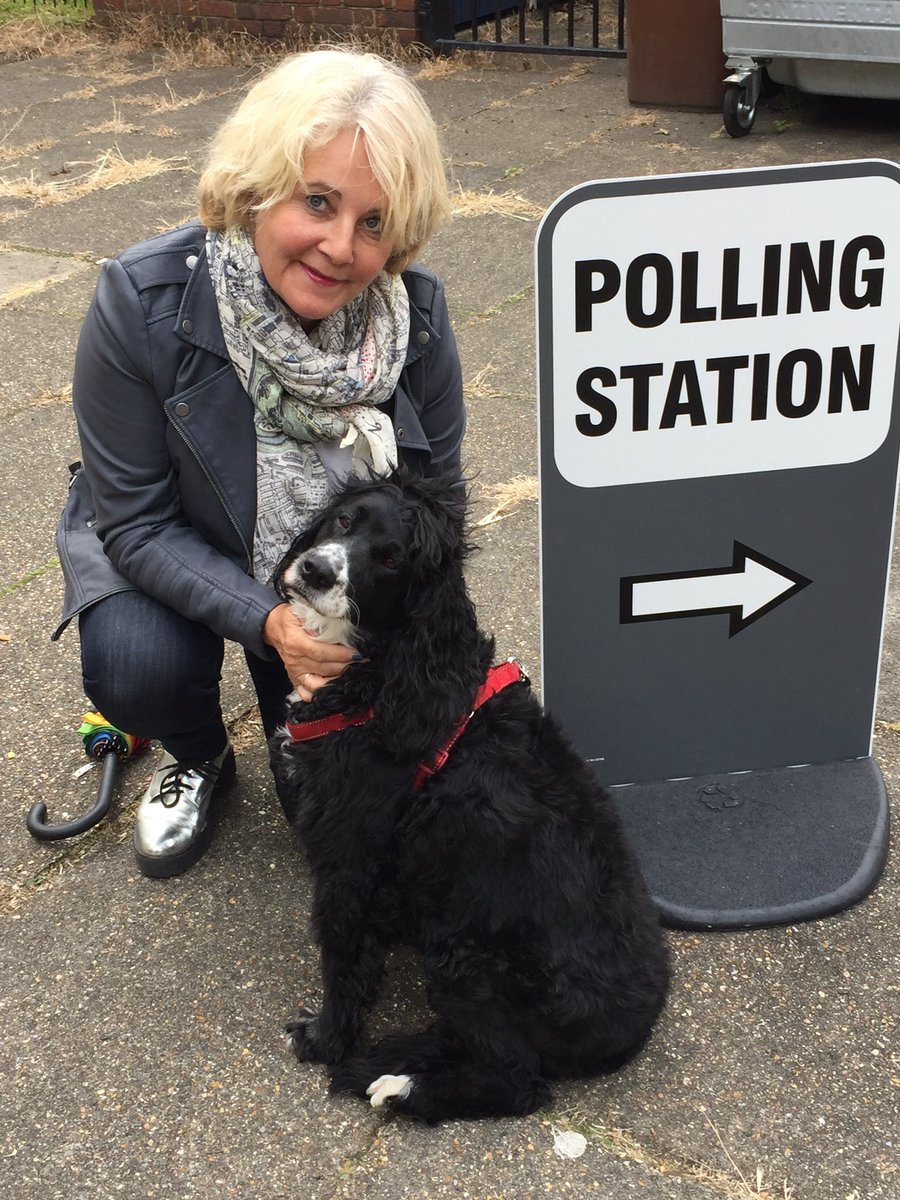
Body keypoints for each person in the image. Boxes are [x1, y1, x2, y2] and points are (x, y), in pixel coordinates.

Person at [52, 48, 465, 879]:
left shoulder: (414, 320)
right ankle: (199, 754)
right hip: (180, 536)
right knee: (136, 665)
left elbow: (434, 513)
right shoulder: (140, 303)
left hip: (322, 579)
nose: (341, 247)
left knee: (328, 818)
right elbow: (135, 522)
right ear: (256, 187)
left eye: (374, 222)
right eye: (317, 201)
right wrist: (270, 623)